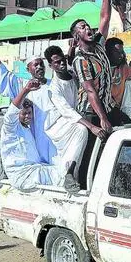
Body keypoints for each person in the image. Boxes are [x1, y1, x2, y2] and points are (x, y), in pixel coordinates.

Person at [0, 30, 56, 163]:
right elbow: (2, 74)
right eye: (35, 64)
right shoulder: (22, 85)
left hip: (52, 138)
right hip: (31, 139)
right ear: (28, 69)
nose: (40, 67)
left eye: (41, 64)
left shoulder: (54, 85)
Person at [43, 45, 107, 191]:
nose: (61, 64)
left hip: (76, 118)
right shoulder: (54, 88)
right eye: (56, 63)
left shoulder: (73, 75)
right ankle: (69, 172)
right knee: (81, 129)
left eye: (63, 60)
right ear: (50, 65)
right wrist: (92, 127)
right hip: (59, 125)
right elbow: (68, 112)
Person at [0, 80, 64, 190]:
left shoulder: (28, 129)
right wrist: (26, 90)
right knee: (60, 177)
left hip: (34, 170)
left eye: (29, 113)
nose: (28, 116)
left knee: (61, 170)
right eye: (24, 113)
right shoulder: (10, 129)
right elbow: (12, 112)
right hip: (22, 174)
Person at [70, 0, 115, 132]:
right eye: (83, 27)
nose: (88, 28)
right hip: (90, 112)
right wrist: (103, 118)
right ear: (77, 35)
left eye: (88, 25)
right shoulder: (81, 59)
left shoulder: (99, 46)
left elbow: (105, 18)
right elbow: (90, 91)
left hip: (107, 107)